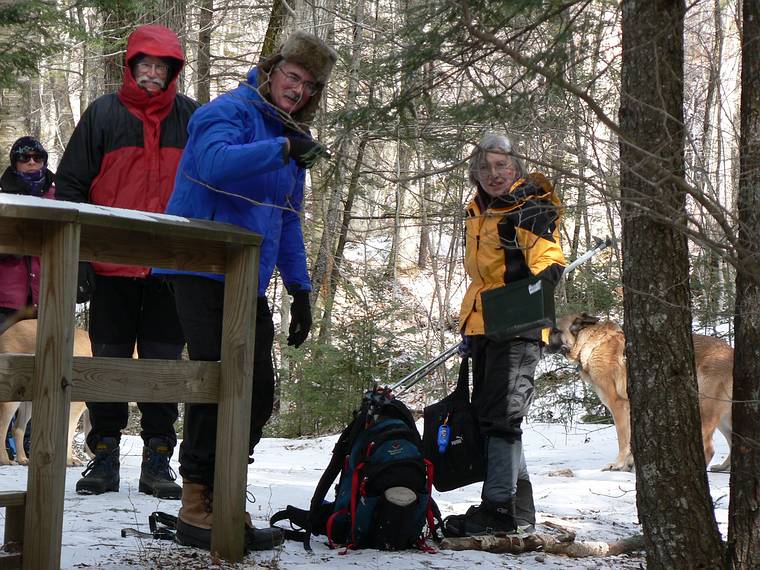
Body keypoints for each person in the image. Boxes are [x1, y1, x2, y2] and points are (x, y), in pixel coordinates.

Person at [157, 30, 337, 552]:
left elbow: (288, 219)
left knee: (257, 392)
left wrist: (300, 289)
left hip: (246, 278)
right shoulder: (227, 112)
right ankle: (198, 504)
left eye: (308, 85)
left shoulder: (287, 136)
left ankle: (224, 491)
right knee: (218, 380)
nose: (298, 90)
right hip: (200, 264)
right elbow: (211, 165)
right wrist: (280, 147)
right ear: (271, 70)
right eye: (292, 77)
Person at [55, 24, 199, 499]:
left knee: (161, 365)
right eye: (146, 66)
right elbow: (72, 184)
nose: (153, 74)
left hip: (170, 268)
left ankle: (158, 458)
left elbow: (206, 185)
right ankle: (104, 455)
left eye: (162, 67)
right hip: (110, 267)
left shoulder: (191, 118)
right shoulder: (102, 115)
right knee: (108, 362)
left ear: (173, 71)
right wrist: (78, 258)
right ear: (131, 67)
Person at [444, 133, 567, 537]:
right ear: (475, 173)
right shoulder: (478, 211)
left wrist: (542, 283)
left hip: (518, 328)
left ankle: (497, 509)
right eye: (484, 167)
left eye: (501, 166)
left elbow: (548, 257)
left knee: (503, 417)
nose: (493, 174)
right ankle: (519, 507)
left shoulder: (527, 209)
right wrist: (471, 326)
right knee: (494, 416)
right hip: (485, 324)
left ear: (515, 167)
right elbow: (482, 278)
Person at [0, 136, 56, 326]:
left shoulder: (60, 197)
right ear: (15, 163)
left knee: (50, 353)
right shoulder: (3, 197)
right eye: (24, 158)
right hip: (7, 298)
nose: (31, 162)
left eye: (37, 157)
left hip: (49, 296)